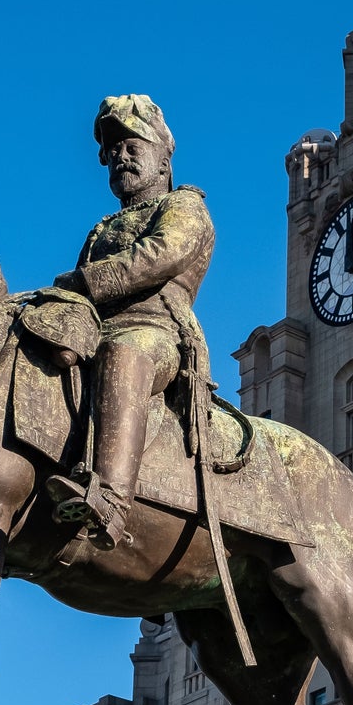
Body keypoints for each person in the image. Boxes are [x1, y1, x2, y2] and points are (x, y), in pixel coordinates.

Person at [45, 95, 214, 550]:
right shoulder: (102, 227)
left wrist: (85, 281)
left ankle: (112, 503)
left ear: (162, 155)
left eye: (132, 146)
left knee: (126, 354)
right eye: (112, 152)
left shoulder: (184, 207)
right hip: (95, 326)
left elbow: (160, 256)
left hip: (157, 332)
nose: (120, 157)